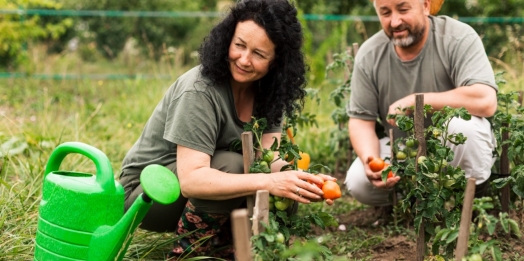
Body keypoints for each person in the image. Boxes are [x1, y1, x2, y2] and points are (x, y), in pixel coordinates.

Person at [118, 0, 335, 259]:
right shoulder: (199, 90)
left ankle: (229, 248)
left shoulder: (269, 93)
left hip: (194, 186)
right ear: (227, 40)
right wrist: (271, 181)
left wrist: (304, 181)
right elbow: (191, 180)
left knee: (286, 187)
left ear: (276, 62)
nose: (244, 60)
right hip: (148, 196)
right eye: (239, 45)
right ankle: (188, 254)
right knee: (233, 165)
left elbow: (269, 159)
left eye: (259, 54)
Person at [344, 0, 498, 207]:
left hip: (451, 149)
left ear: (425, 6)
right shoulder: (370, 53)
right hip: (404, 151)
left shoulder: (458, 37)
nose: (395, 21)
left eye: (403, 9)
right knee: (359, 181)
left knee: (463, 127)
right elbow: (361, 121)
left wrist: (417, 101)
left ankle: (473, 201)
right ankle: (413, 202)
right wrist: (371, 160)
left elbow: (485, 100)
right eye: (385, 13)